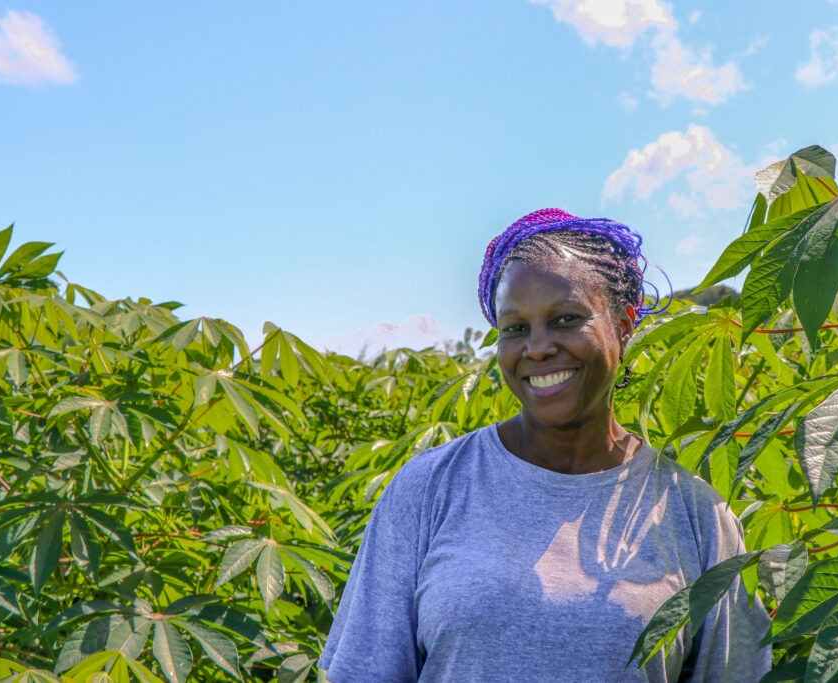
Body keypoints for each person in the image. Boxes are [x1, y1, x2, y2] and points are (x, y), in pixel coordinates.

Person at [318, 208, 771, 682]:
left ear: (624, 323)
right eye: (515, 328)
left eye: (566, 319)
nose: (537, 348)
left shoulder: (697, 516)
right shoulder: (428, 488)